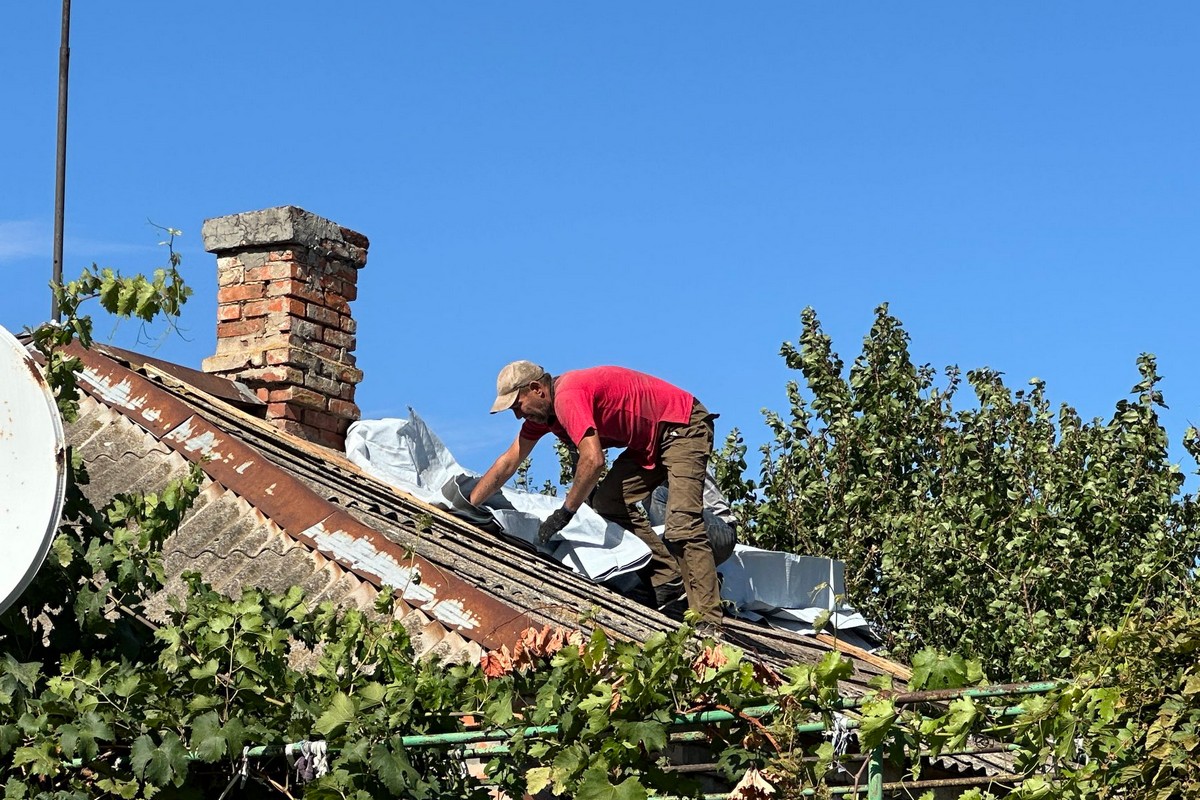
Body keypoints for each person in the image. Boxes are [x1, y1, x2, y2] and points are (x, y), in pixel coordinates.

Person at [468, 360, 723, 624]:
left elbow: (593, 460)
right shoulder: (544, 416)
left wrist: (565, 513)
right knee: (607, 501)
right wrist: (469, 504)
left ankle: (708, 622)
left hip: (681, 426)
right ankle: (667, 580)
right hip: (648, 442)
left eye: (517, 405)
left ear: (536, 389)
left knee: (682, 524)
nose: (518, 416)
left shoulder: (568, 396)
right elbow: (509, 461)